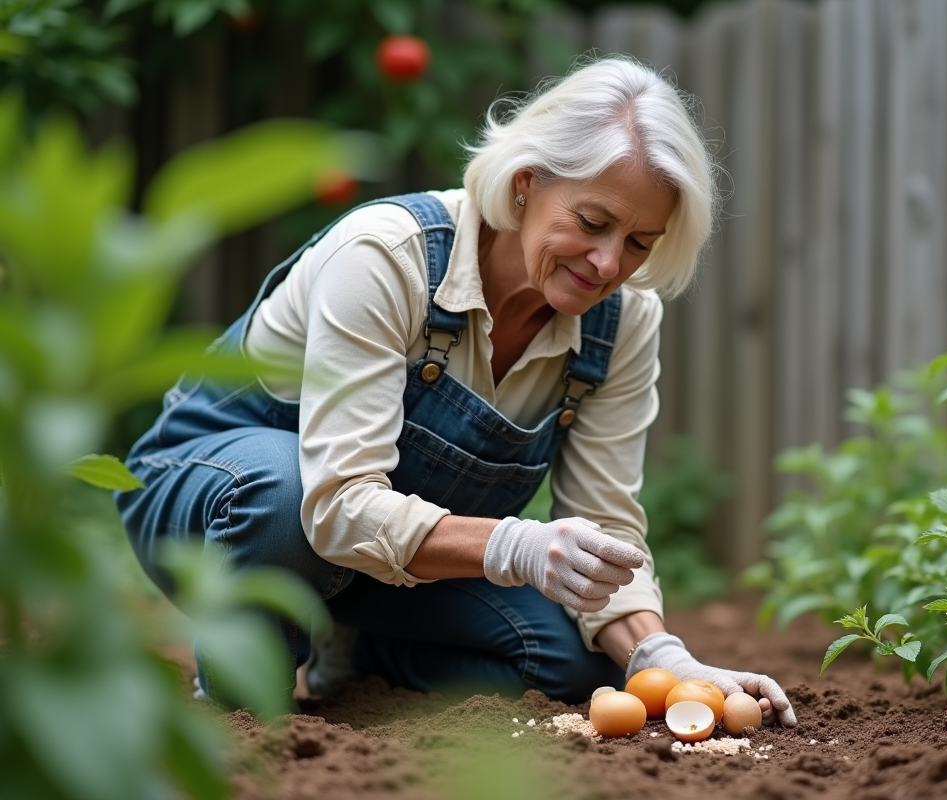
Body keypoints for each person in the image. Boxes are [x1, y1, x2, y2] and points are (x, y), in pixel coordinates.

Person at [116, 56, 797, 726]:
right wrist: (516, 547)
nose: (609, 264)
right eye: (593, 223)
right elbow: (338, 504)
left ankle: (352, 652)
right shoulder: (388, 257)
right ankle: (240, 703)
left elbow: (606, 520)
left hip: (375, 562)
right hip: (217, 507)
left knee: (573, 663)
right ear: (527, 183)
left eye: (640, 242)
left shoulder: (622, 323)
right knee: (282, 495)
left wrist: (658, 652)